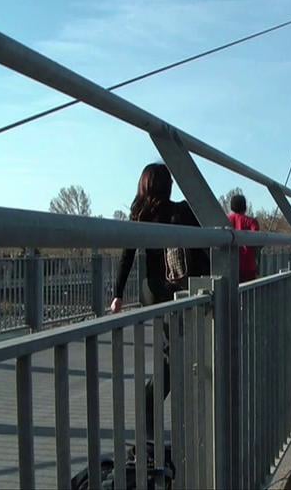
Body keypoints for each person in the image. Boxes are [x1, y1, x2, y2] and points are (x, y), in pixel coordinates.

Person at [111, 163, 209, 435]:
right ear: (168, 185)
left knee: (173, 351)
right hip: (180, 290)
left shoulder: (139, 215)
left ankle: (149, 419)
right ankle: (149, 418)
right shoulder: (181, 211)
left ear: (143, 186)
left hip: (152, 291)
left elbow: (126, 256)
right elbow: (207, 238)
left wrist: (117, 294)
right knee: (180, 353)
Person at [228, 193, 260, 282]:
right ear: (245, 207)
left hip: (229, 265)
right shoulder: (251, 222)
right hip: (248, 266)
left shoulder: (225, 220)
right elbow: (257, 241)